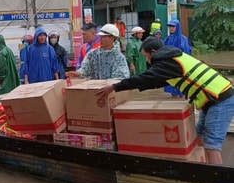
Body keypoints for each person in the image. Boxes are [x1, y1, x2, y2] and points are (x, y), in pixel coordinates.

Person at [96, 37, 234, 165]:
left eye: (146, 56)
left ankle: (218, 180)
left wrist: (115, 87)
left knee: (212, 144)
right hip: (211, 100)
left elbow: (146, 78)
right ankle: (205, 168)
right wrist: (131, 87)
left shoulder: (167, 61)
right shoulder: (173, 57)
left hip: (221, 99)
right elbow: (156, 82)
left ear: (153, 52)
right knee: (199, 137)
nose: (147, 61)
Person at [164, 19, 192, 98]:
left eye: (172, 26)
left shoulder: (183, 39)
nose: (170, 28)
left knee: (181, 86)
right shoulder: (167, 39)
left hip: (180, 65)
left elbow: (187, 53)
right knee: (172, 86)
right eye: (169, 26)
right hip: (170, 66)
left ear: (177, 27)